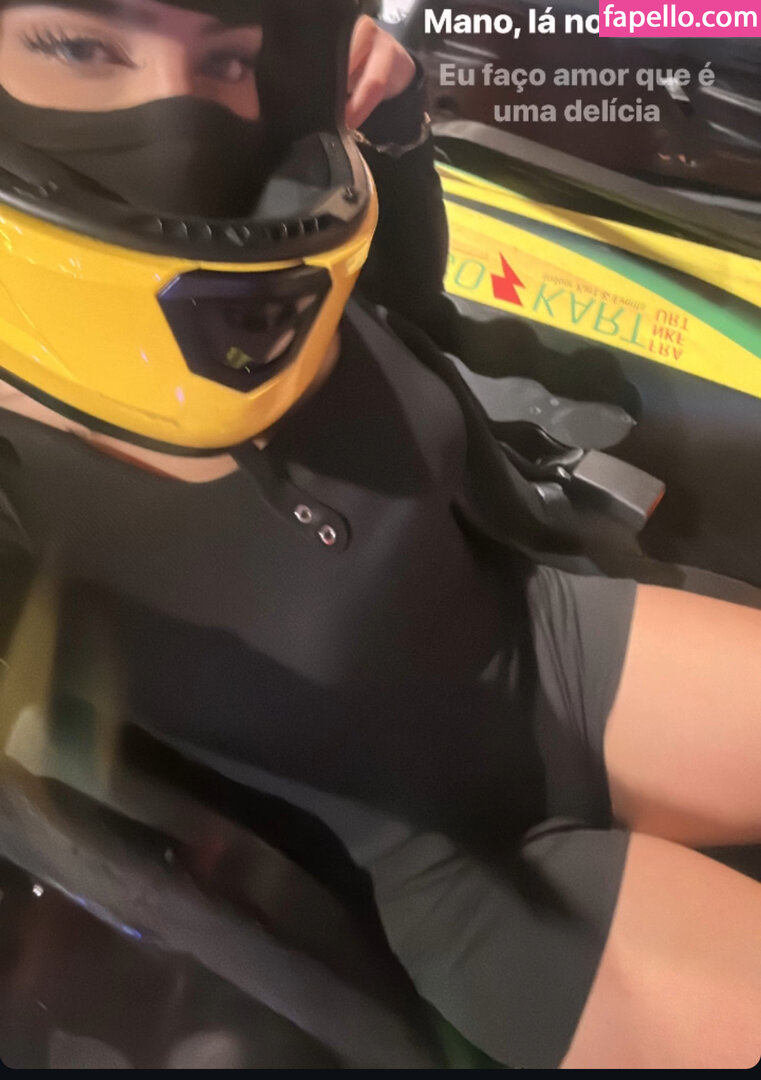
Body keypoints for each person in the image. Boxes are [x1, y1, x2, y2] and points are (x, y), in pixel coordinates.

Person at [0, 0, 758, 1070]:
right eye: (80, 45)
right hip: (457, 879)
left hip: (552, 654)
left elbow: (412, 305)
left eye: (226, 60)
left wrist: (396, 126)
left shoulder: (276, 255)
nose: (173, 116)